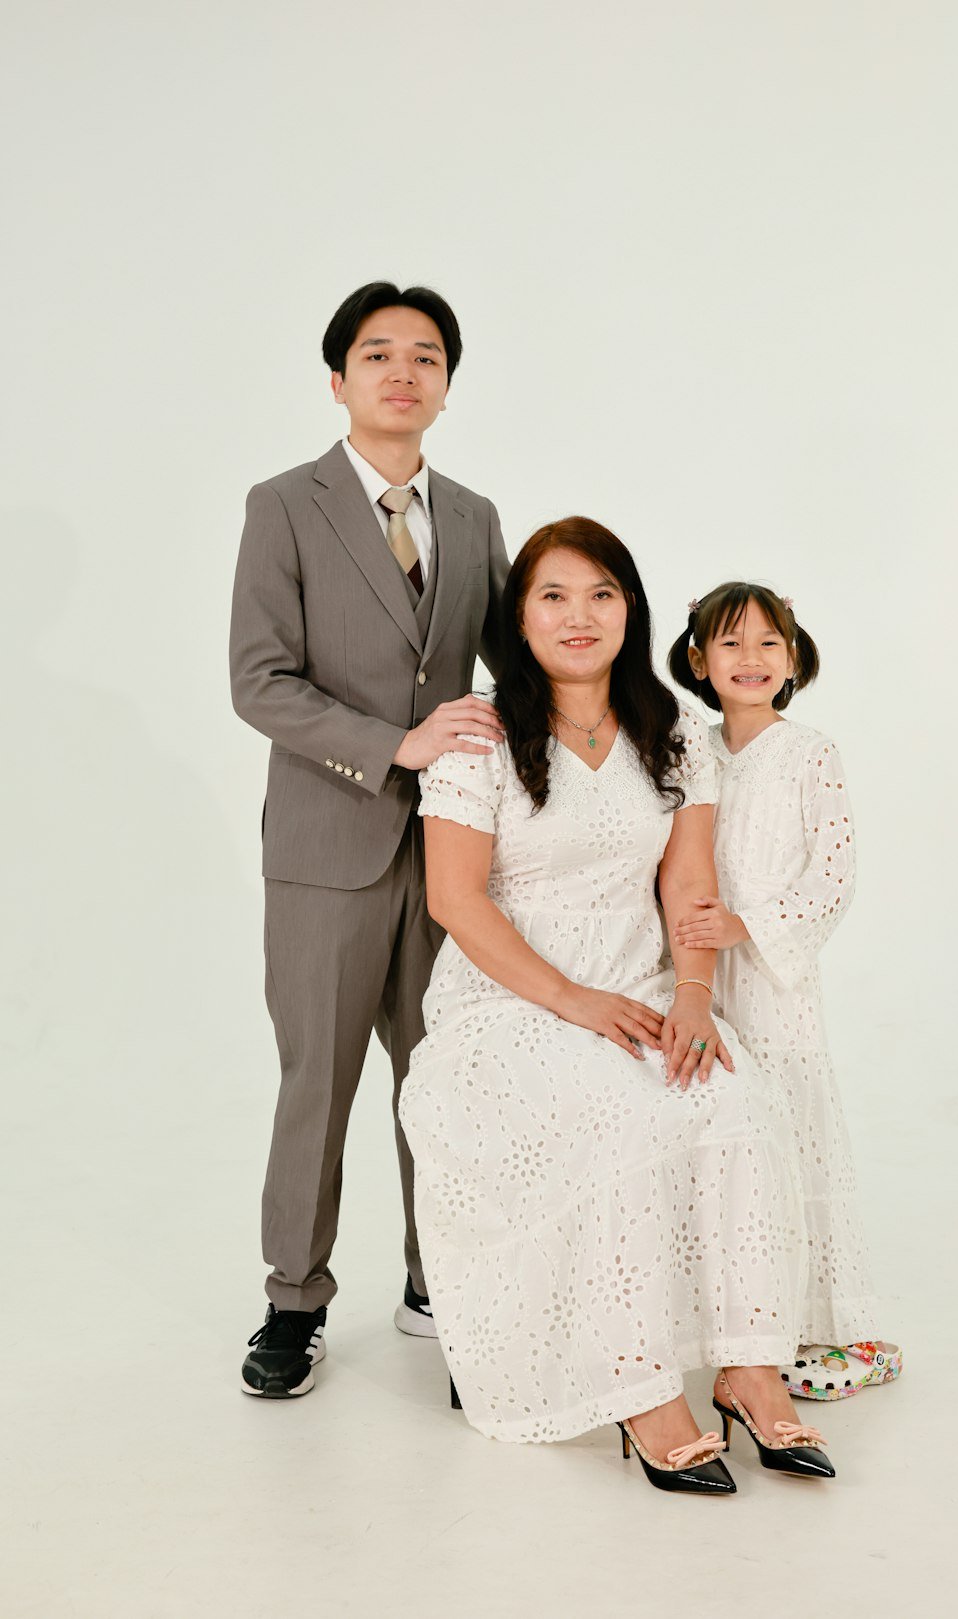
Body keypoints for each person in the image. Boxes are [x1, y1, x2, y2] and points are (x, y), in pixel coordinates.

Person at [398, 520, 835, 1492]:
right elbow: (455, 899)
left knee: (735, 1102)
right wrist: (573, 999)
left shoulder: (668, 728)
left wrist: (694, 997)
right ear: (519, 617)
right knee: (619, 1116)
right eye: (553, 595)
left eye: (601, 593)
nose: (579, 615)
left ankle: (749, 1368)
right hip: (510, 1003)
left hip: (641, 986)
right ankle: (641, 1389)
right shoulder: (481, 734)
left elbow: (689, 882)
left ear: (630, 608)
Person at [229, 281, 510, 1397]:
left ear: (446, 386)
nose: (404, 371)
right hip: (325, 848)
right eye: (380, 353)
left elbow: (519, 663)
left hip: (452, 854)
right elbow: (260, 681)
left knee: (448, 1077)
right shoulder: (282, 505)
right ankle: (293, 1301)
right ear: (338, 379)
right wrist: (396, 744)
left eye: (426, 356)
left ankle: (443, 1284)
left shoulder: (476, 516)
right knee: (321, 1082)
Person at [667, 583, 901, 1399]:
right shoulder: (687, 751)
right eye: (730, 642)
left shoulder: (809, 754)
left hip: (774, 980)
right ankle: (728, 1319)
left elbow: (833, 876)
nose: (751, 658)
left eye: (769, 642)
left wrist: (747, 925)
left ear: (793, 658)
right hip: (695, 976)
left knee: (790, 1129)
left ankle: (816, 1322)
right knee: (713, 1129)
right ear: (698, 659)